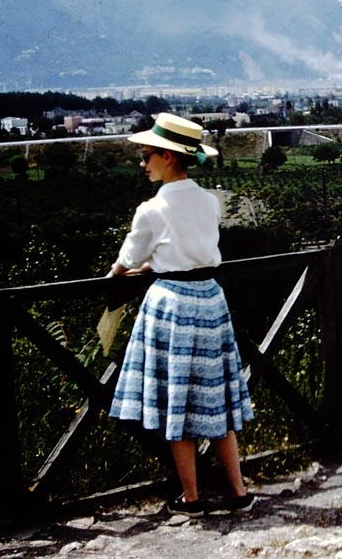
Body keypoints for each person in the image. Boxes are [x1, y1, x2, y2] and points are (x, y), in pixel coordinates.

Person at [107, 112, 255, 517]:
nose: (143, 163)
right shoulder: (208, 200)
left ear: (169, 157)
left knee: (179, 403)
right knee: (216, 401)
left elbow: (129, 258)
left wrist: (116, 275)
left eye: (147, 155)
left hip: (172, 304)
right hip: (210, 298)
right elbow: (195, 249)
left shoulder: (151, 210)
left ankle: (191, 498)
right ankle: (239, 492)